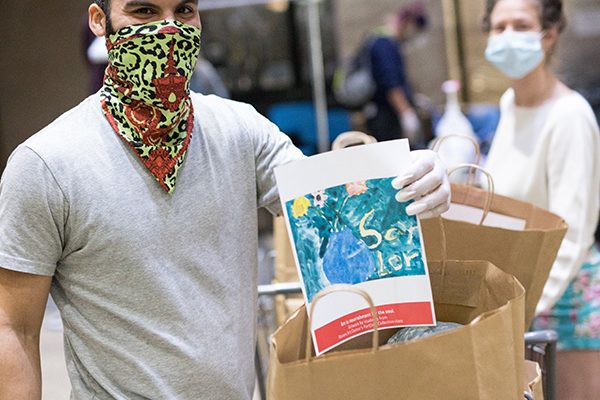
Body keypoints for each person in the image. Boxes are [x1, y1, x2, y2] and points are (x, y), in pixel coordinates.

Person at [0, 1, 451, 398]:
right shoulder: (48, 164)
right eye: (144, 11)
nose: (169, 29)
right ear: (100, 21)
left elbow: (331, 203)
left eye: (184, 11)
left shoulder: (241, 133)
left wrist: (410, 181)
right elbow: (14, 328)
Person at [483, 0, 600, 398]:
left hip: (565, 300)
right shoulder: (510, 104)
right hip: (523, 292)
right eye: (499, 27)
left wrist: (522, 306)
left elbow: (572, 235)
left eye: (520, 25)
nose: (507, 37)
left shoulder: (569, 117)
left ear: (548, 35)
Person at [365, 2, 427, 145]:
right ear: (407, 23)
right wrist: (406, 113)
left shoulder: (389, 43)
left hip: (387, 114)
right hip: (385, 117)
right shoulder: (384, 44)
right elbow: (391, 84)